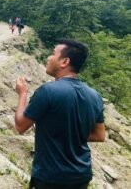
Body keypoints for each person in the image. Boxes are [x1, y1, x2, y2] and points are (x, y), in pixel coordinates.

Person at [14, 39, 105, 189]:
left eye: (53, 54)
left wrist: (22, 93)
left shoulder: (48, 91)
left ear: (64, 62)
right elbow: (100, 135)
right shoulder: (95, 96)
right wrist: (71, 133)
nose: (48, 57)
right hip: (81, 176)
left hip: (51, 177)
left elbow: (20, 125)